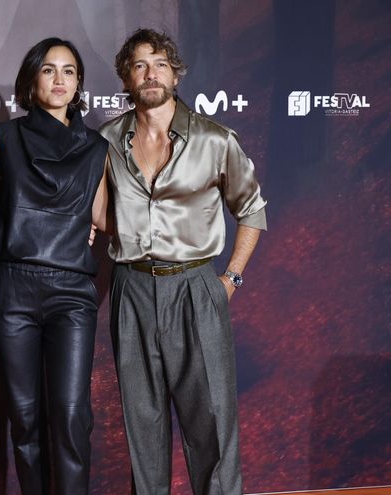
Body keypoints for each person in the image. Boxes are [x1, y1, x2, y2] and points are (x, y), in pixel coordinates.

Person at [96, 28, 267, 494]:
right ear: (126, 79)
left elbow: (252, 209)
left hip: (196, 287)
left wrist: (229, 278)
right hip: (131, 288)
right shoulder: (107, 141)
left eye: (159, 64)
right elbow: (98, 213)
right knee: (142, 427)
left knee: (210, 424)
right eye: (139, 65)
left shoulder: (214, 140)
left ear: (175, 73)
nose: (150, 74)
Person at [0, 38, 108, 494]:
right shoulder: (2, 136)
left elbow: (103, 217)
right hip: (14, 290)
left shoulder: (98, 147)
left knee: (72, 414)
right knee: (24, 419)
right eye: (49, 70)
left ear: (79, 83)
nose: (59, 80)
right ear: (32, 79)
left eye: (69, 71)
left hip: (72, 293)